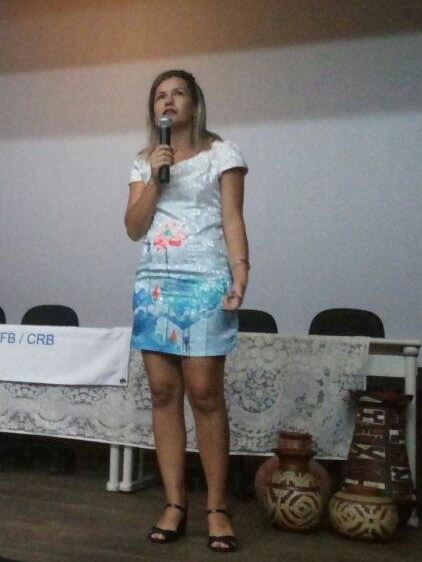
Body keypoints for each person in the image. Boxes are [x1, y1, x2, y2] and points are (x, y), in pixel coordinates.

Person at [123, 69, 249, 554]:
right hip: (155, 282)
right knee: (162, 392)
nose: (168, 101)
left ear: (195, 105)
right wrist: (155, 176)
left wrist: (241, 272)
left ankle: (218, 506)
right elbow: (134, 227)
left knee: (204, 393)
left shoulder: (223, 152)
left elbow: (233, 218)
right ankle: (175, 503)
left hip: (207, 281)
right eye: (160, 95)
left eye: (178, 93)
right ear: (153, 110)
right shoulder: (143, 161)